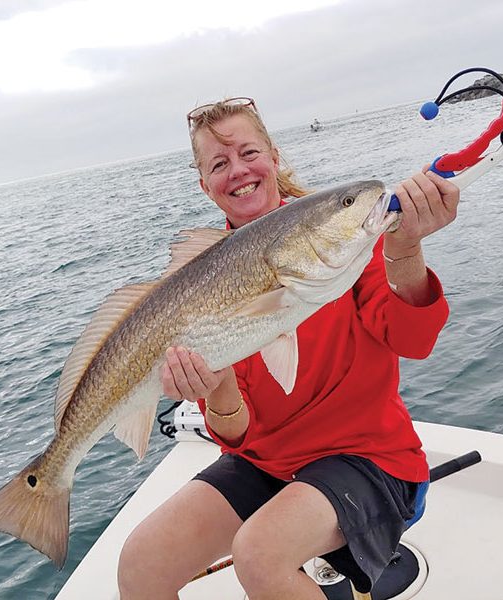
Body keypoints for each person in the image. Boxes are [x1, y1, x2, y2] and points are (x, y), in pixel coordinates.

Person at [117, 97, 459, 599]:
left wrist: (404, 249)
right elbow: (236, 434)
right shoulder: (198, 283)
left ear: (274, 158)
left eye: (249, 153)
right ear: (205, 186)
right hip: (268, 462)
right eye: (219, 163)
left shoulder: (340, 239)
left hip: (368, 456)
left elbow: (415, 339)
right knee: (141, 562)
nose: (238, 170)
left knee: (260, 553)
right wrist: (218, 384)